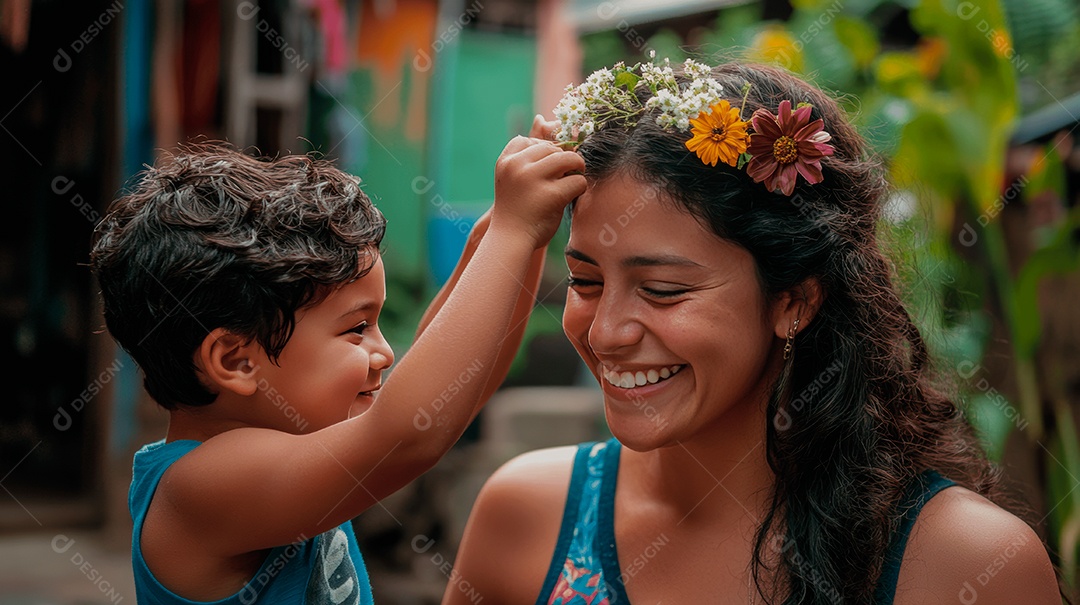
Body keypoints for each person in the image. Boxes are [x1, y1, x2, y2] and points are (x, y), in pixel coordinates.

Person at [444, 59, 1065, 604]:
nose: (605, 333)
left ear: (794, 299)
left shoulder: (967, 564)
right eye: (585, 282)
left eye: (662, 290)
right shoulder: (528, 518)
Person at [88, 132, 585, 604]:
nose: (386, 353)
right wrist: (511, 232)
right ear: (237, 360)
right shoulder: (197, 489)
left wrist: (521, 237)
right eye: (357, 328)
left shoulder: (293, 443)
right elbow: (411, 432)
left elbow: (457, 389)